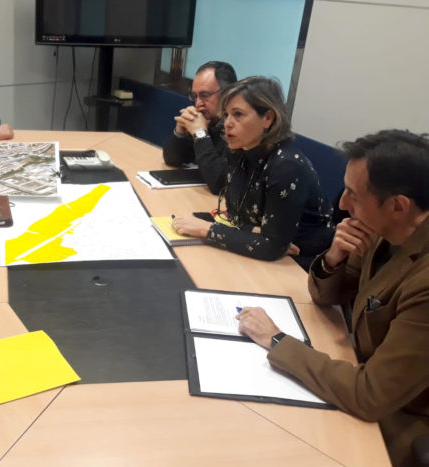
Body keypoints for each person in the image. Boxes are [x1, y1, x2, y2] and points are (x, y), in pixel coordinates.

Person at [236, 129, 429, 467]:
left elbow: (370, 395)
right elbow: (329, 295)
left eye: (353, 195)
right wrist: (334, 258)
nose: (341, 205)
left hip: (403, 417)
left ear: (398, 206)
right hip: (361, 372)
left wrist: (277, 340)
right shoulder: (385, 230)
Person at [172, 76, 334, 269]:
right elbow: (236, 217)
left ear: (268, 118)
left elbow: (271, 248)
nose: (227, 123)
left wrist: (208, 229)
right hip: (264, 253)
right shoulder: (239, 150)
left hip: (300, 265)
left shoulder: (286, 166)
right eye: (226, 115)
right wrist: (254, 233)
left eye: (238, 115)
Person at [162, 61, 237, 194]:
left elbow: (220, 184)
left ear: (228, 94)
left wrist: (200, 134)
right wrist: (180, 133)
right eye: (194, 96)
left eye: (204, 95)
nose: (197, 104)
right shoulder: (207, 121)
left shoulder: (237, 128)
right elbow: (173, 160)